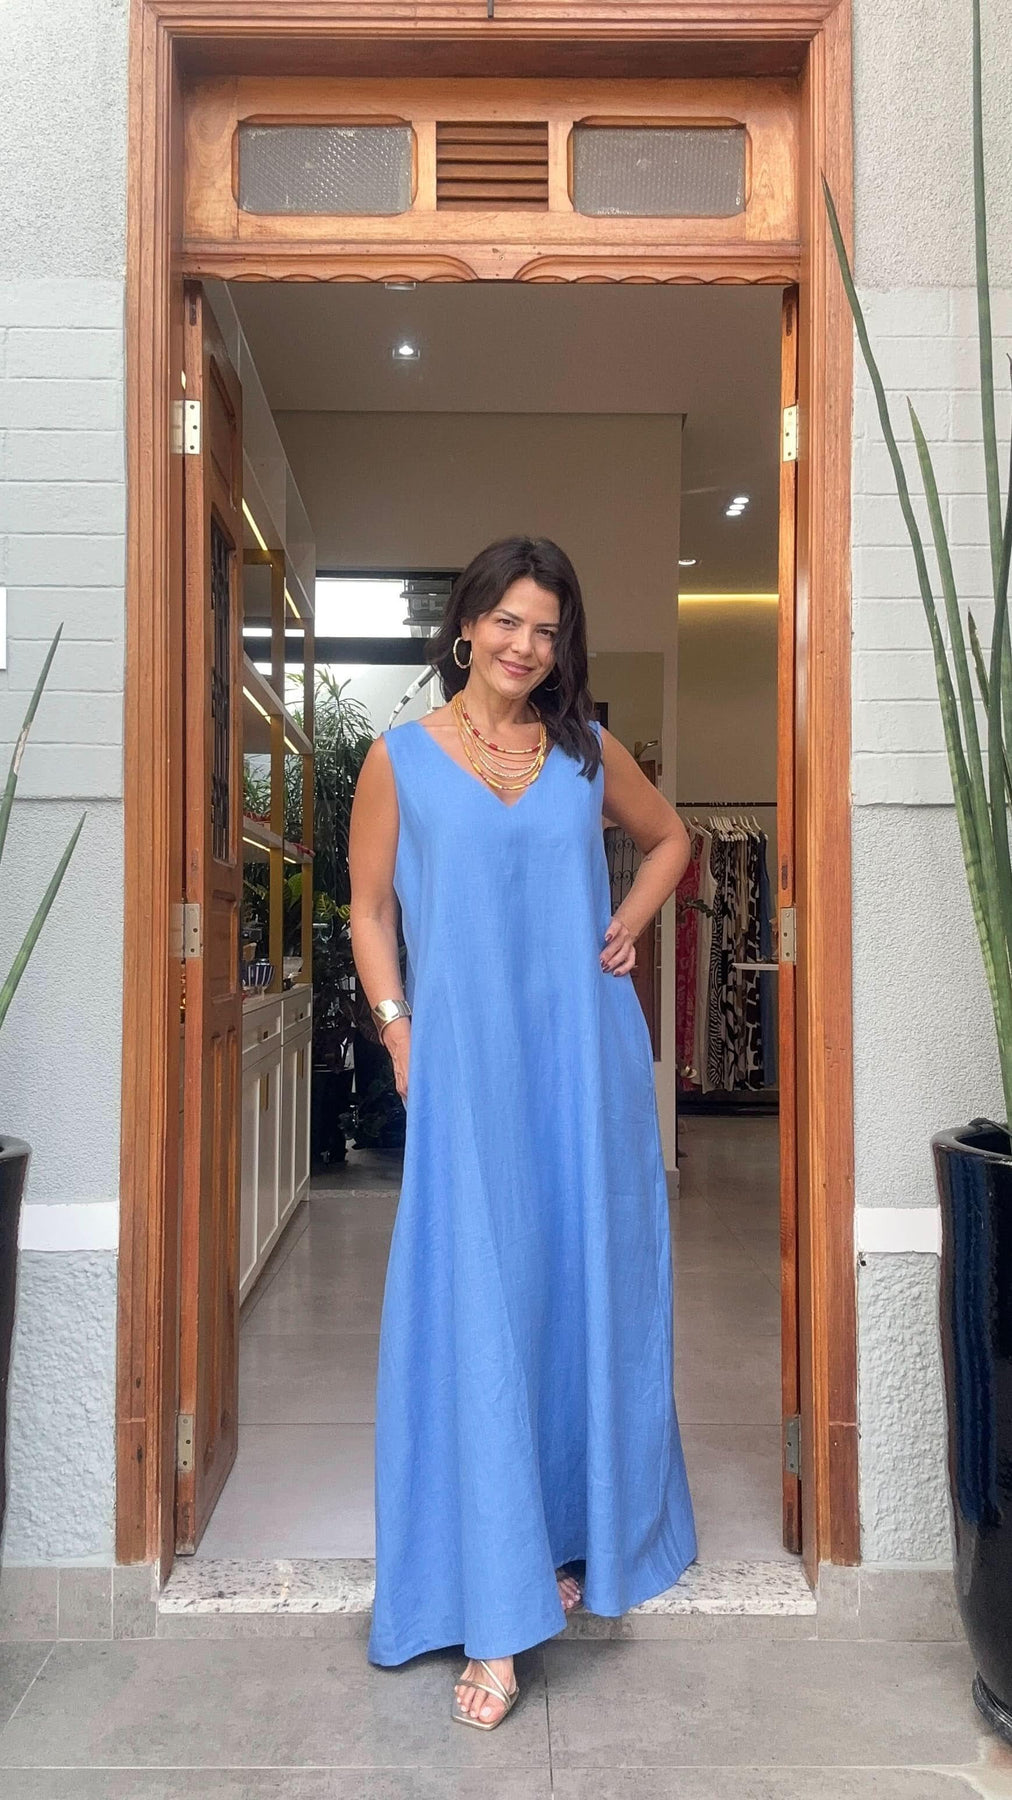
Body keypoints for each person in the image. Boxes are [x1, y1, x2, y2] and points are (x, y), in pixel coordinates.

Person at [348, 535, 697, 1729]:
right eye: (507, 621)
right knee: (477, 1299)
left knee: (570, 1291)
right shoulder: (398, 758)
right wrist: (396, 1027)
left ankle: (566, 1541)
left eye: (547, 630)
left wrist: (628, 923)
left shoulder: (587, 753)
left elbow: (672, 840)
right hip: (466, 1068)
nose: (525, 646)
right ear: (466, 624)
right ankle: (492, 1614)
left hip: (584, 1067)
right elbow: (368, 909)